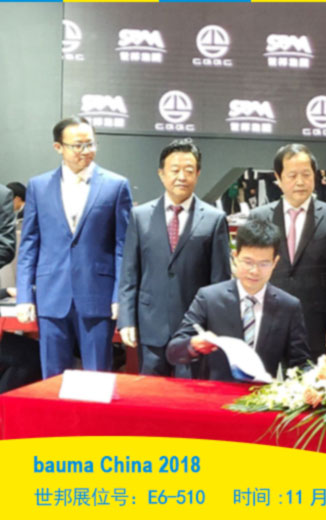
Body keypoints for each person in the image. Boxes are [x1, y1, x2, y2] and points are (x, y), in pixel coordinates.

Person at [16, 116, 132, 378]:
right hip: (51, 295)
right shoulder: (39, 186)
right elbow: (29, 245)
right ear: (58, 147)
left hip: (98, 295)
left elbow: (122, 247)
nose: (85, 151)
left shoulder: (116, 185)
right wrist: (24, 295)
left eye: (90, 144)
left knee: (97, 376)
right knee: (51, 377)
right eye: (77, 145)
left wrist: (119, 295)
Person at [118, 138, 231, 377]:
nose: (182, 177)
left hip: (194, 329)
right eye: (175, 170)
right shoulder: (140, 216)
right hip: (150, 324)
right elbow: (129, 273)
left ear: (198, 174)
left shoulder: (214, 219)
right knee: (151, 393)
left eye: (188, 170)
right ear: (161, 174)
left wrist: (216, 327)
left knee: (190, 394)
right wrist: (127, 319)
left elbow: (220, 280)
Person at [166, 220, 312, 381]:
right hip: (215, 392)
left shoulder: (288, 306)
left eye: (264, 264)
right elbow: (173, 351)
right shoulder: (209, 298)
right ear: (235, 257)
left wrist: (319, 379)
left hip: (261, 393)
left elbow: (300, 363)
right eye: (248, 262)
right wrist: (194, 344)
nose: (254, 271)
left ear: (275, 262)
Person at [250, 144, 326, 359]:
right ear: (278, 178)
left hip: (315, 323)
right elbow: (250, 271)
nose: (300, 182)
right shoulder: (259, 217)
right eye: (292, 175)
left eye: (306, 175)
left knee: (310, 380)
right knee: (261, 380)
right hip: (267, 320)